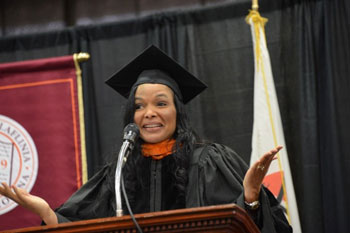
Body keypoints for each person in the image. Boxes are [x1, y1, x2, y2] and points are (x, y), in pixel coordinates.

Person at [0, 45, 292, 232]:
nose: (149, 113)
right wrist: (46, 213)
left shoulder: (210, 162)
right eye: (139, 106)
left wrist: (251, 197)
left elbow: (251, 224)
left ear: (178, 111)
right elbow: (76, 225)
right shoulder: (117, 175)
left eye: (161, 104)